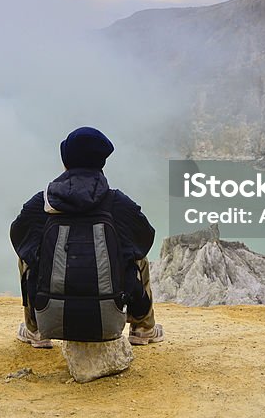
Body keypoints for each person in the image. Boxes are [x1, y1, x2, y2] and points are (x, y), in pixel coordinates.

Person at [10, 126, 164, 348]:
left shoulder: (43, 202)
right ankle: (143, 328)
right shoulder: (116, 203)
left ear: (66, 162)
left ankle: (35, 331)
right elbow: (145, 238)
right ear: (101, 163)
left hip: (50, 318)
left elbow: (18, 235)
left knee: (26, 253)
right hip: (108, 321)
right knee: (138, 256)